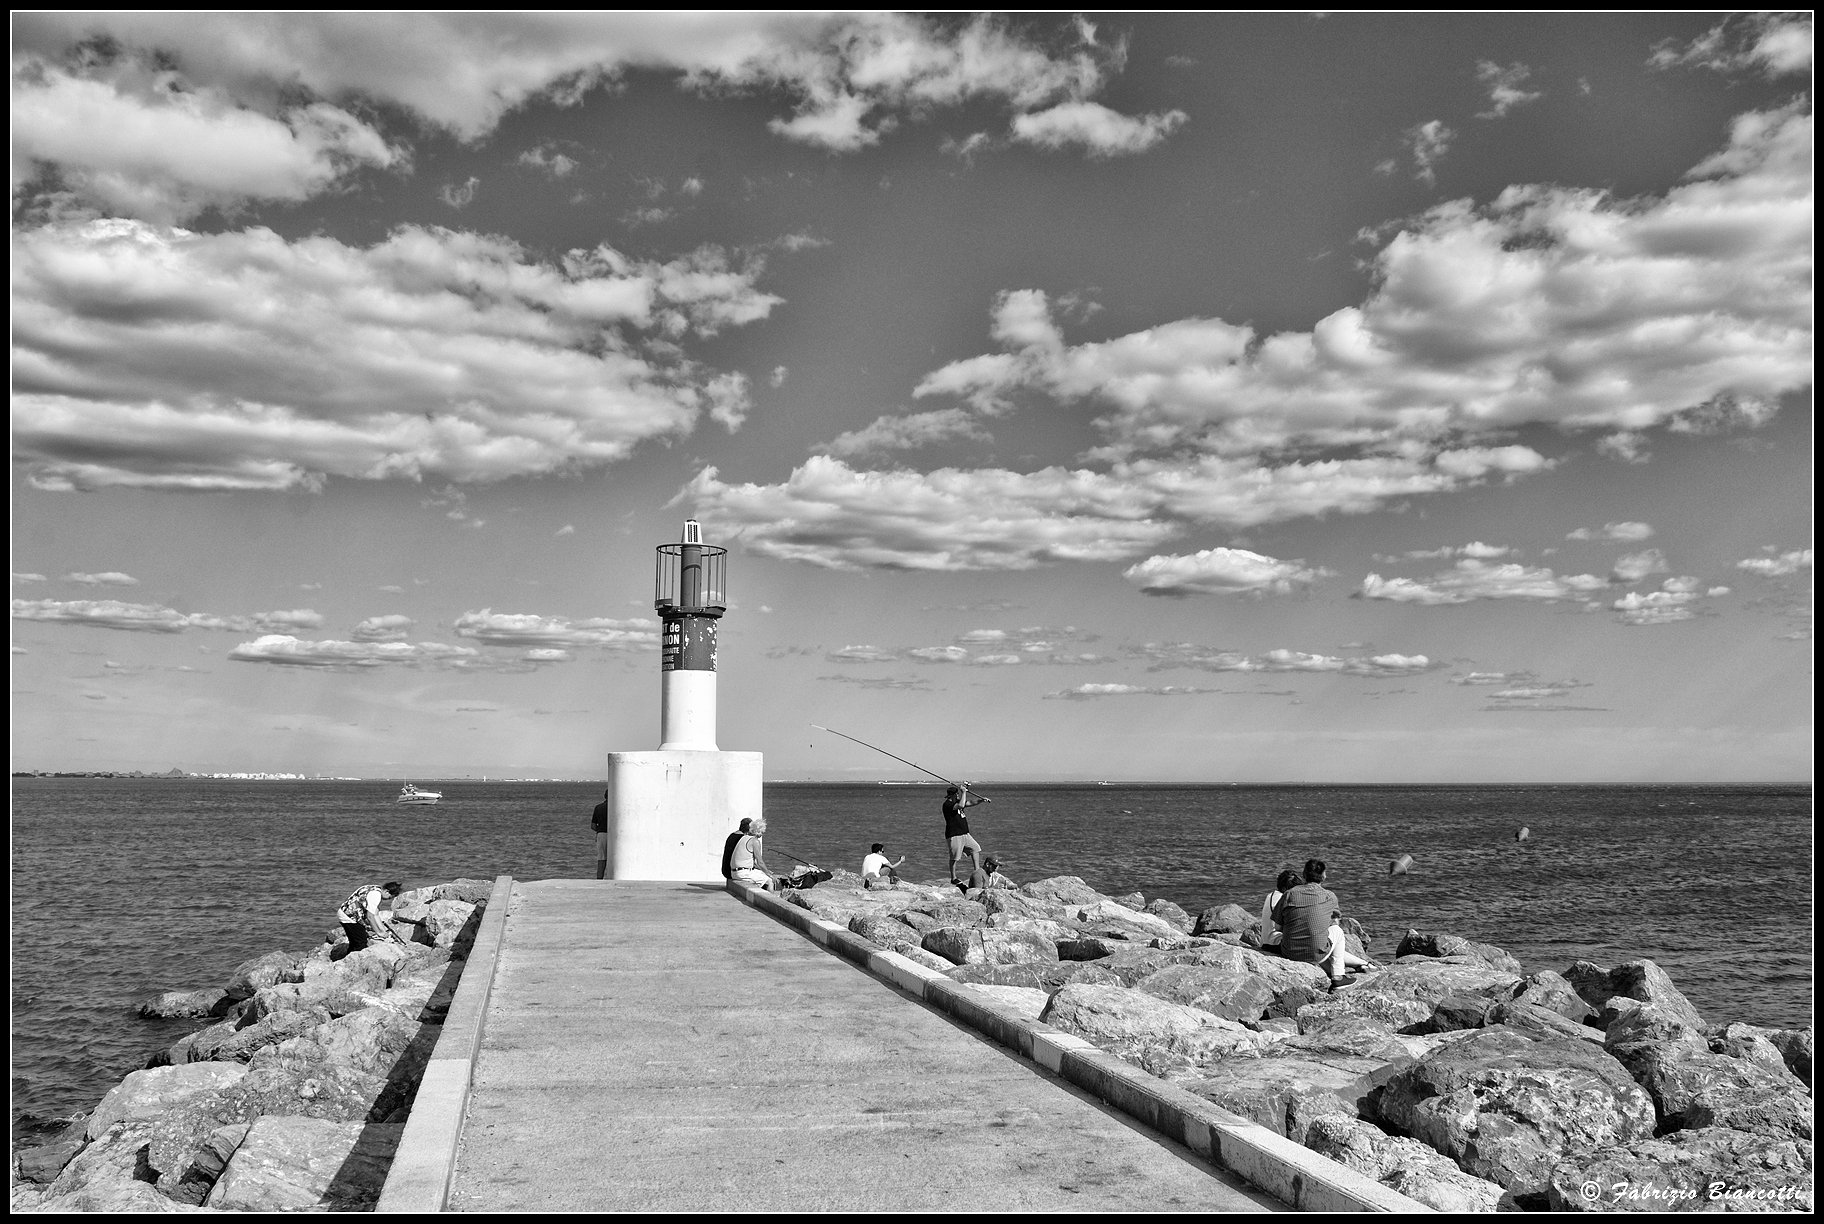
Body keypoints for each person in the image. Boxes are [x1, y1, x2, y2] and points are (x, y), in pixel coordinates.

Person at [1272, 860, 1375, 987]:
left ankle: (1346, 968)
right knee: (1337, 931)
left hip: (1289, 952)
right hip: (1317, 953)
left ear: (1304, 875)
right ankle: (1339, 976)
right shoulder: (1329, 896)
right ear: (1324, 876)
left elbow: (1277, 927)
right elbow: (1335, 922)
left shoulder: (1289, 894)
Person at [337, 881, 406, 951]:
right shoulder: (376, 895)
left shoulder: (375, 888)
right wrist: (378, 932)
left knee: (356, 941)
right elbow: (370, 917)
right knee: (360, 942)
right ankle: (352, 959)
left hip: (348, 913)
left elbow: (375, 914)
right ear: (386, 891)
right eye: (389, 897)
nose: (388, 900)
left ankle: (348, 957)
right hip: (349, 916)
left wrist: (383, 930)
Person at [941, 785, 986, 884]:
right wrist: (964, 792)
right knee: (955, 857)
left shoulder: (957, 802)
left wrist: (981, 800)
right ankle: (953, 878)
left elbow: (969, 803)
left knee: (975, 848)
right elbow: (961, 805)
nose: (958, 795)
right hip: (954, 834)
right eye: (957, 794)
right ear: (953, 795)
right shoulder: (947, 805)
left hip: (965, 834)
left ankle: (977, 871)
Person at [1256, 869, 1301, 951]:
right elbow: (1281, 927)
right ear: (1285, 889)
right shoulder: (1284, 899)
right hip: (1275, 942)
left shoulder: (1271, 895)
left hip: (1266, 941)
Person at [728, 816, 773, 890]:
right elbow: (760, 862)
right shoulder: (755, 841)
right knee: (769, 881)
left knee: (762, 874)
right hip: (743, 874)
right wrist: (769, 874)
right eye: (762, 832)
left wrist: (765, 871)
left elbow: (753, 863)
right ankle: (771, 900)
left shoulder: (744, 837)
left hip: (734, 872)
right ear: (757, 831)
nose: (762, 835)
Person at [591, 789, 610, 880]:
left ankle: (599, 879)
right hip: (614, 835)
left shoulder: (598, 807)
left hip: (602, 834)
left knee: (601, 859)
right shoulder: (616, 807)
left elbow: (593, 825)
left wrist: (600, 829)